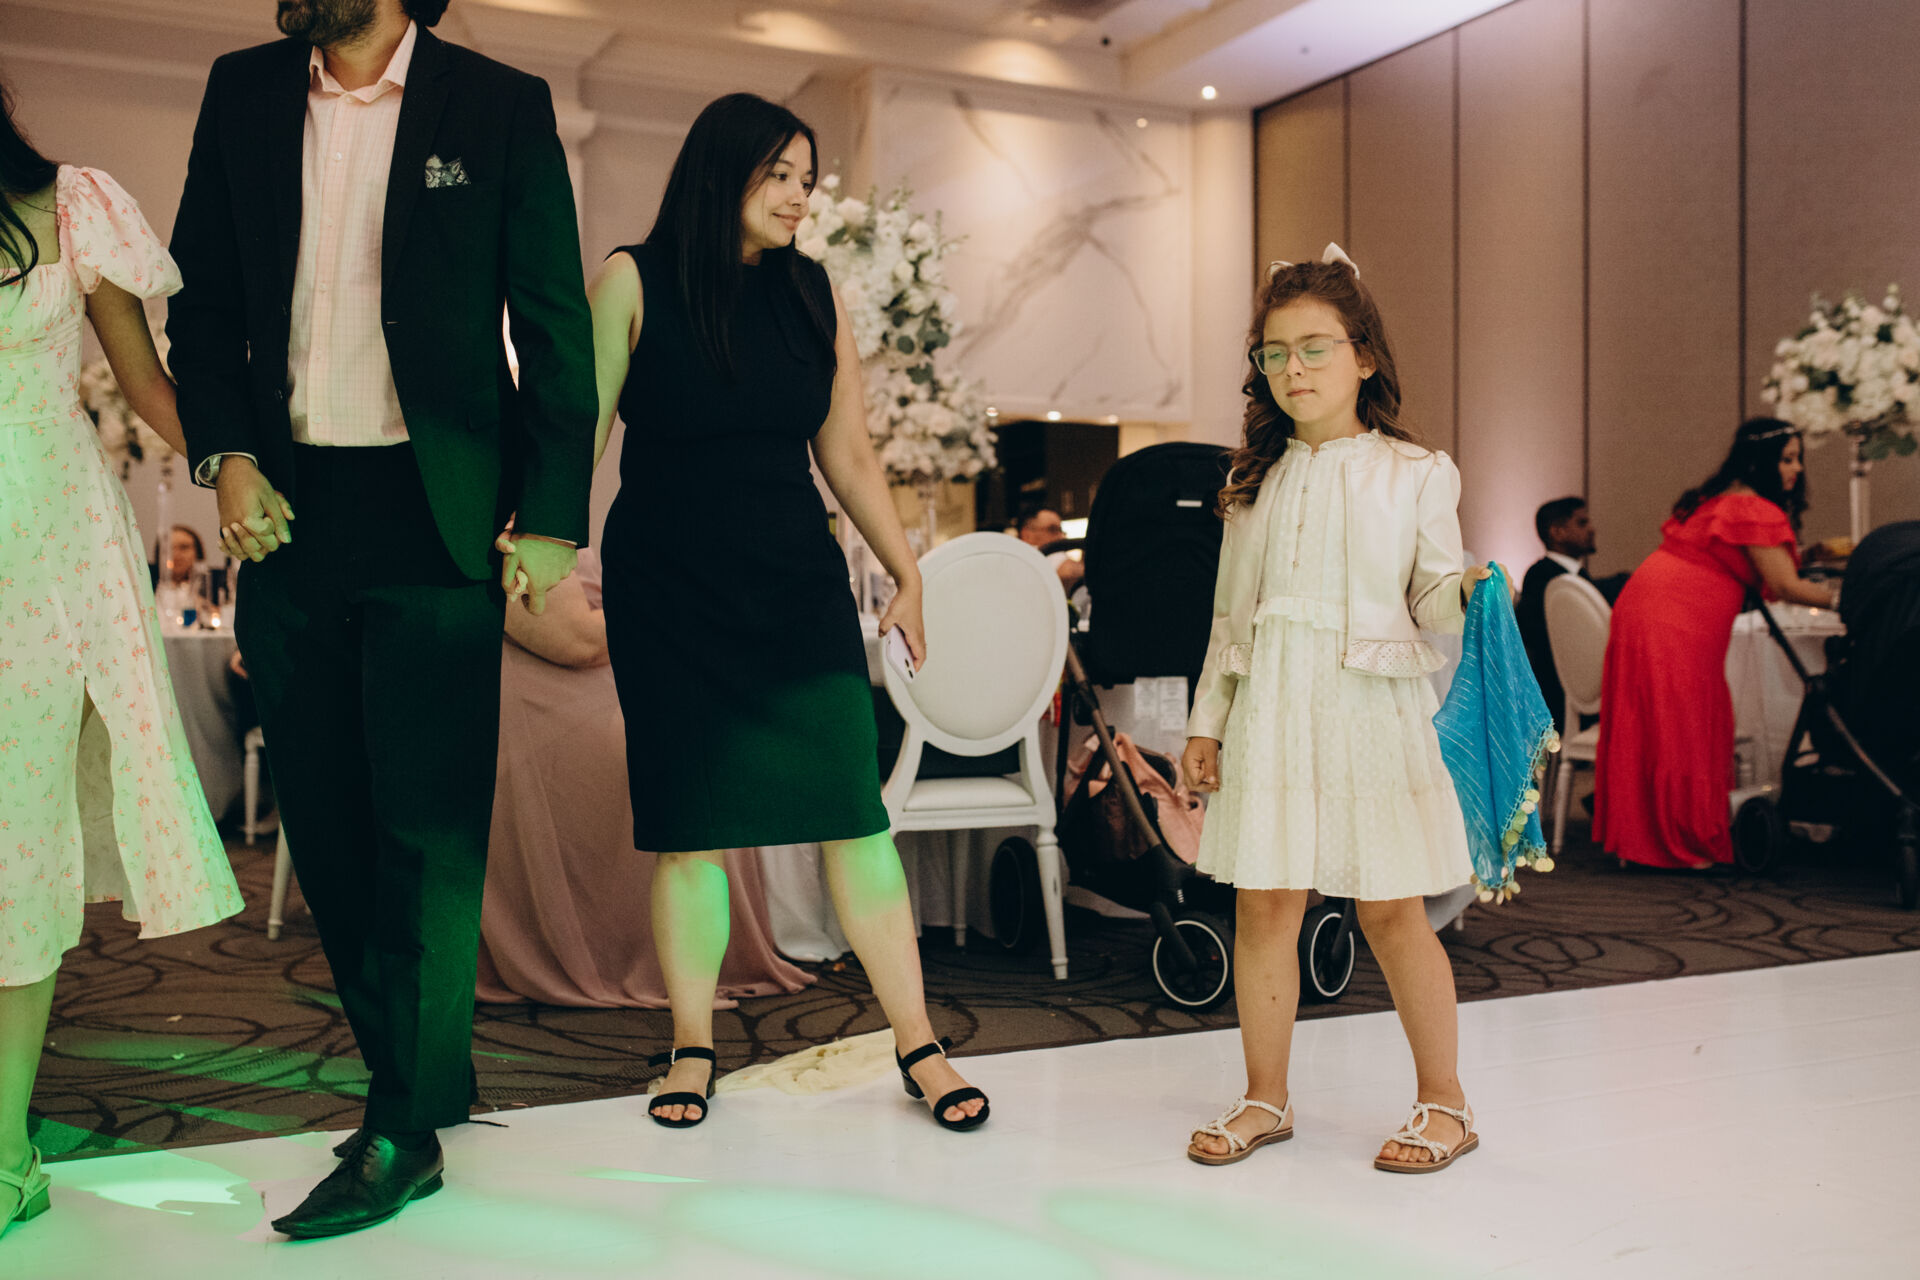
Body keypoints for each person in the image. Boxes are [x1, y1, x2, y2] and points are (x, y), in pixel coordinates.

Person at [167, 0, 596, 1239]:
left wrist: (552, 512)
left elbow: (551, 319)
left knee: (429, 832)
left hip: (434, 509)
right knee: (328, 823)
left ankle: (404, 1121)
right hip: (288, 512)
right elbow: (204, 300)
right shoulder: (243, 88)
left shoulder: (498, 105)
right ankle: (419, 1075)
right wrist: (225, 454)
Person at [586, 93, 987, 1133]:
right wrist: (536, 540)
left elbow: (845, 449)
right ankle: (691, 1044)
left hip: (794, 580)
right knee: (689, 829)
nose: (800, 196)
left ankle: (919, 1042)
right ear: (721, 170)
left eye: (808, 179)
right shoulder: (632, 279)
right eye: (780, 175)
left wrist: (907, 571)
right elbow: (578, 431)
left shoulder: (813, 291)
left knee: (853, 810)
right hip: (669, 583)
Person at [1179, 245, 1498, 1174]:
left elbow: (1429, 597)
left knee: (1392, 909)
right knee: (1264, 904)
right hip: (1273, 702)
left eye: (1315, 348)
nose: (1295, 369)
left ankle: (1446, 1102)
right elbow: (1229, 621)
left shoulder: (1418, 471)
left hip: (1369, 705)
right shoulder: (1253, 484)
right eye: (1275, 353)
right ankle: (1265, 1097)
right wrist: (1206, 722)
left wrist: (1466, 590)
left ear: (1363, 356)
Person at [0, 81, 243, 1242]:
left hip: (47, 552)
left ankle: (7, 1149)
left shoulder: (72, 205)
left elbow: (147, 389)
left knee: (19, 835)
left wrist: (243, 464)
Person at [476, 550, 815, 1010]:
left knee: (713, 729)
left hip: (589, 678)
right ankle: (657, 954)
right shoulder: (517, 532)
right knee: (686, 743)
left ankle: (696, 949)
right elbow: (574, 641)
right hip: (540, 702)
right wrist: (685, 603)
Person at [1593, 418, 1834, 870]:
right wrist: (1846, 597)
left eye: (1797, 459)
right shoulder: (1752, 508)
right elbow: (1787, 586)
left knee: (1663, 718)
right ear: (1760, 461)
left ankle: (1649, 834)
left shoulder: (1722, 499)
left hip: (1650, 603)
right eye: (1787, 459)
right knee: (1682, 719)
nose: (1797, 469)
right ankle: (1675, 837)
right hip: (1674, 615)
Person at [1517, 497, 1596, 732]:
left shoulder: (1579, 576)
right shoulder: (1541, 576)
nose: (1591, 529)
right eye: (1581, 523)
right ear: (1557, 532)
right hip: (1557, 694)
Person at [1016, 505, 1086, 593]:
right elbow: (1069, 572)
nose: (1061, 537)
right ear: (1027, 534)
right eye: (1052, 530)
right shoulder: (1038, 553)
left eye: (1061, 531)